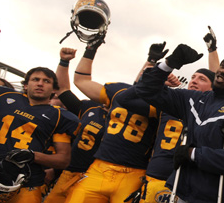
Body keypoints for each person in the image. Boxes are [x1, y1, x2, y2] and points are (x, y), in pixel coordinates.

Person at [134, 44, 224, 203]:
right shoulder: (193, 99)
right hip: (182, 192)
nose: (223, 71)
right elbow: (146, 90)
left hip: (217, 196)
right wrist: (169, 64)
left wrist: (192, 153)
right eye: (223, 66)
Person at [0, 24, 79, 203]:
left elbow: (63, 160)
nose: (40, 83)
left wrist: (32, 155)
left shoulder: (59, 116)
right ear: (26, 85)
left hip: (26, 185)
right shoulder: (2, 96)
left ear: (53, 90)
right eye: (35, 79)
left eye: (46, 81)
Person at [65, 38, 169, 203]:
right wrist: (90, 49)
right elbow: (81, 80)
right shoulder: (118, 91)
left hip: (134, 173)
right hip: (99, 168)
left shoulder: (164, 103)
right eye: (147, 70)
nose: (148, 74)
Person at [45, 47, 108, 203]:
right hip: (71, 171)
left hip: (99, 176)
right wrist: (64, 62)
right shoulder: (91, 108)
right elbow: (62, 89)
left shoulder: (130, 117)